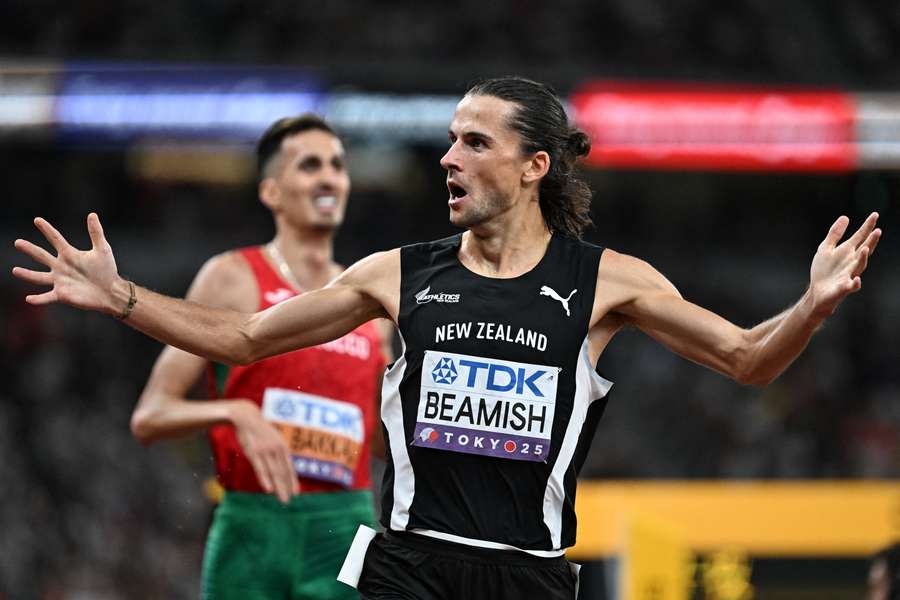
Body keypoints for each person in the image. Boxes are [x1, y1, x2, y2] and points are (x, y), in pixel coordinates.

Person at [13, 77, 881, 600]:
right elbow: (242, 338)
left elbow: (745, 359)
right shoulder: (398, 273)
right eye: (448, 141)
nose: (448, 158)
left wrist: (810, 306)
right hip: (407, 565)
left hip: (529, 572)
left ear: (534, 166)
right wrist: (122, 296)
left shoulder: (609, 282)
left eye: (473, 142)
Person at [131, 114, 392, 599]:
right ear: (272, 191)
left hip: (346, 526)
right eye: (310, 165)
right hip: (253, 525)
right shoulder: (231, 278)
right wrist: (234, 411)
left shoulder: (371, 304)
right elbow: (150, 415)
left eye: (337, 165)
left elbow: (381, 441)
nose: (329, 178)